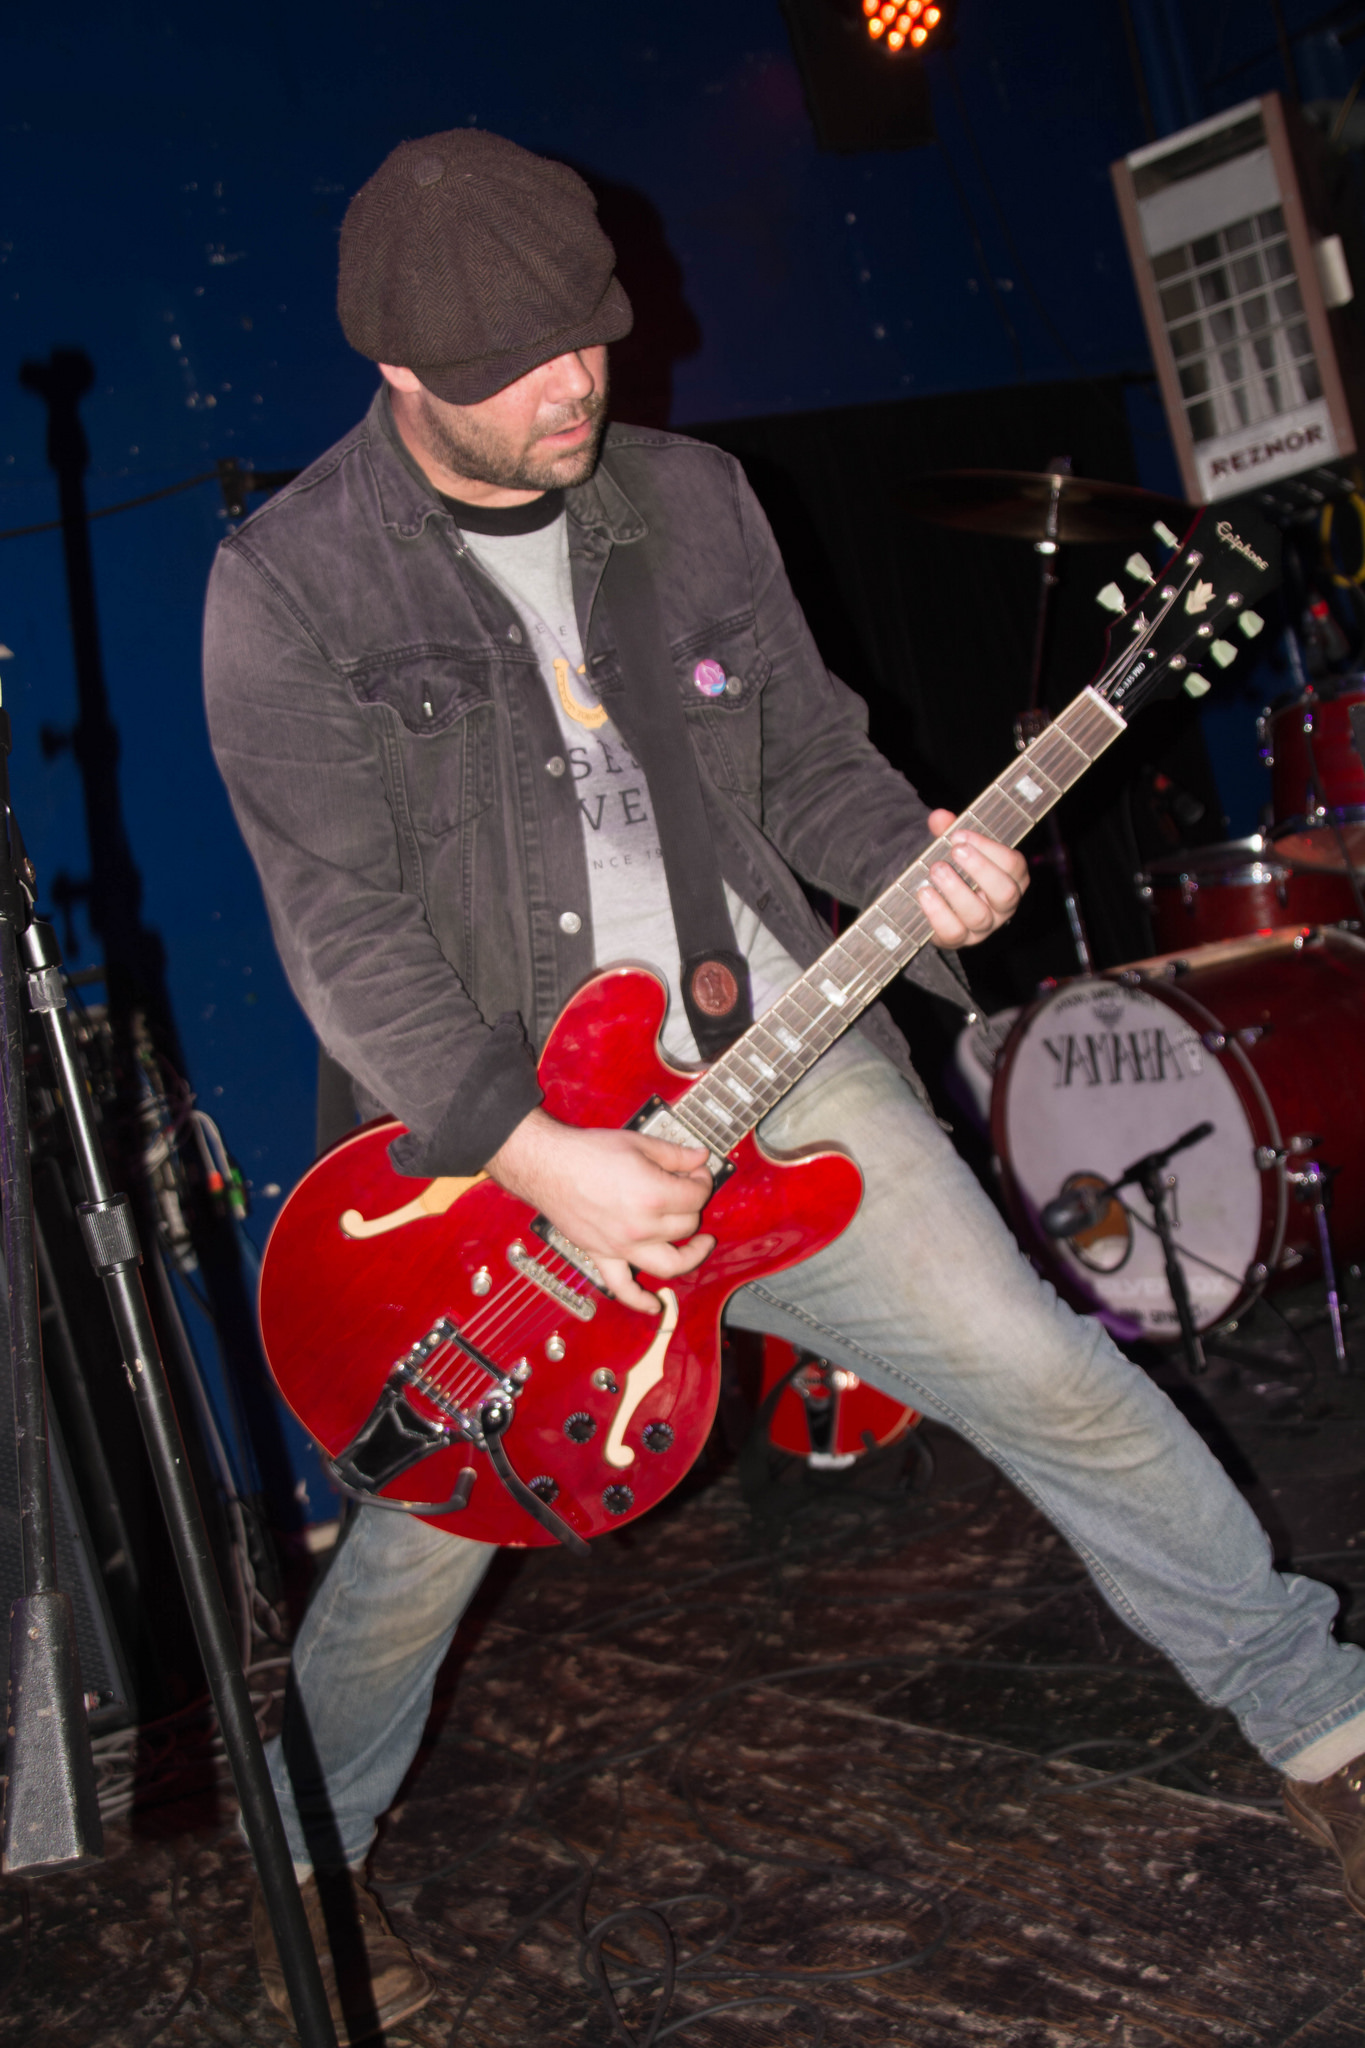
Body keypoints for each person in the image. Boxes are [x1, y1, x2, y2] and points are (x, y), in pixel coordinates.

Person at [204, 129, 1365, 2040]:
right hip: (496, 1154)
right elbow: (343, 933)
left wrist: (920, 854)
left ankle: (1321, 1728)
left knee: (1051, 1379)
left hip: (778, 1059)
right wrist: (541, 1154)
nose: (574, 385)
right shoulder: (291, 586)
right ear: (399, 374)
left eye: (590, 337)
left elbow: (812, 757)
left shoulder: (690, 497)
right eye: (516, 370)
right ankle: (309, 1870)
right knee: (417, 1540)